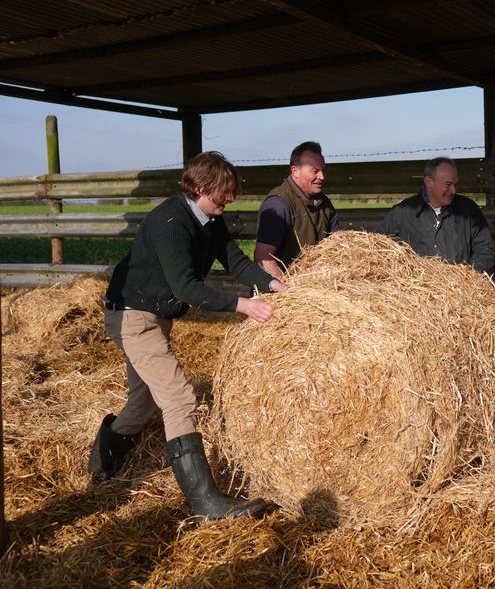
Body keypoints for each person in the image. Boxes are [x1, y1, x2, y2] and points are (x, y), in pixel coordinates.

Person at [89, 151, 289, 523]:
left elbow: (238, 263)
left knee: (144, 402)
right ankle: (206, 503)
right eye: (222, 193)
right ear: (198, 188)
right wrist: (243, 306)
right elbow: (186, 288)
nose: (229, 199)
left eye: (232, 192)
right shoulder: (171, 220)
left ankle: (100, 465)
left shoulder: (210, 221)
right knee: (180, 398)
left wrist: (277, 286)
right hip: (132, 317)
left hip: (155, 317)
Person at [377, 157, 495, 274]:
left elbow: (484, 249)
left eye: (455, 184)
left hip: (458, 290)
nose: (453, 190)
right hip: (417, 290)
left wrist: (469, 276)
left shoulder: (468, 210)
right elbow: (378, 248)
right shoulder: (402, 213)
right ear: (429, 182)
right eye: (448, 184)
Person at [255, 141, 340, 279]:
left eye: (323, 170)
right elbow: (264, 259)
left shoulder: (325, 203)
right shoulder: (278, 204)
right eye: (315, 171)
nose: (322, 177)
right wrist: (289, 291)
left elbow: (338, 247)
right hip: (284, 291)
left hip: (317, 290)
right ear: (295, 172)